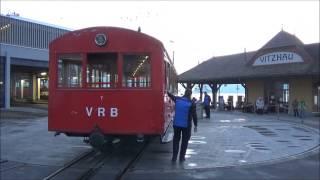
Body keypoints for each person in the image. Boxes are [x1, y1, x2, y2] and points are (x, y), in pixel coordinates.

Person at [168, 89, 198, 162]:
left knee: (176, 140)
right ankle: (182, 157)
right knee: (185, 141)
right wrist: (196, 125)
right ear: (190, 94)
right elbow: (194, 115)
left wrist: (166, 91)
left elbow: (171, 96)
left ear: (184, 93)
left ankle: (174, 157)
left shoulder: (177, 99)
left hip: (177, 124)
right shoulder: (192, 103)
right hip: (186, 125)